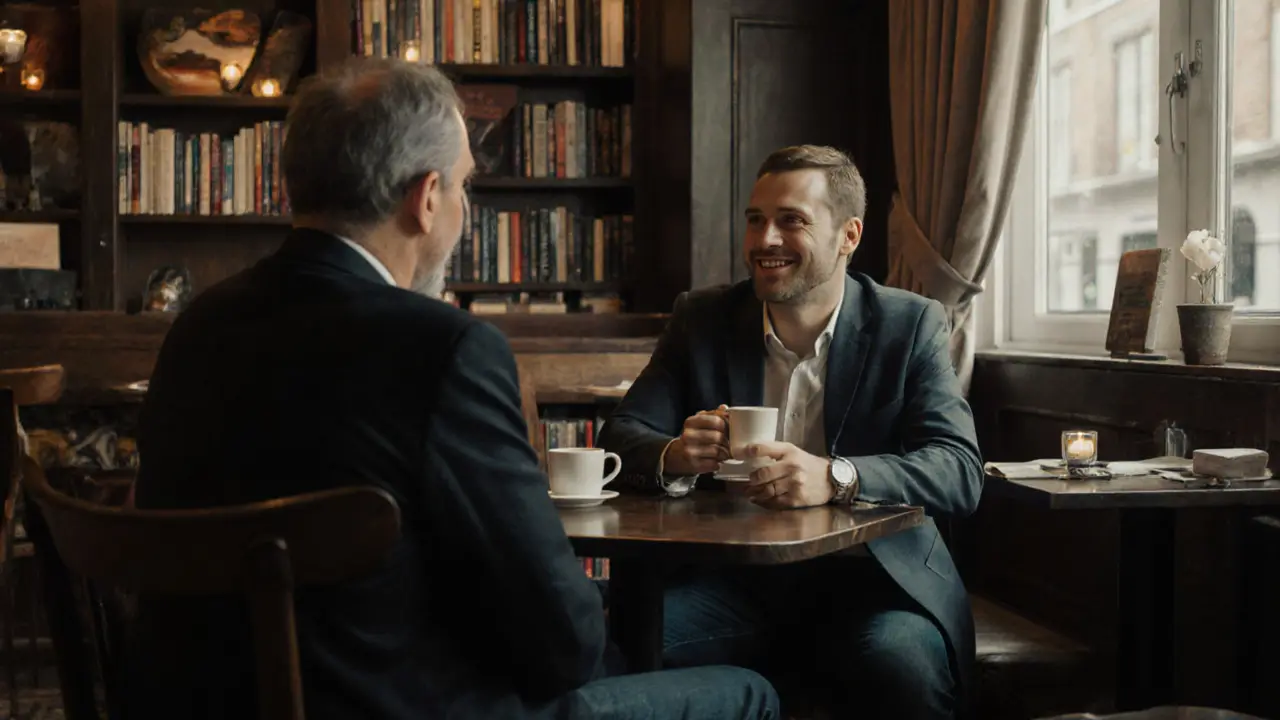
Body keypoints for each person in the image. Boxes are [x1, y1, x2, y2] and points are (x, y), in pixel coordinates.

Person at [126, 57, 780, 720]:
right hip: (409, 705)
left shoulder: (198, 325)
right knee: (749, 692)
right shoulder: (444, 348)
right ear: (427, 196)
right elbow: (564, 645)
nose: (465, 209)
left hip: (198, 700)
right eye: (467, 187)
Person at [596, 145, 984, 719]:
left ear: (848, 236)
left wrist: (836, 476)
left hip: (875, 587)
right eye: (756, 219)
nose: (765, 240)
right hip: (732, 585)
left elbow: (959, 469)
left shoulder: (910, 323)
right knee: (613, 652)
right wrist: (676, 454)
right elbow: (620, 437)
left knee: (903, 667)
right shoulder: (701, 319)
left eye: (791, 220)